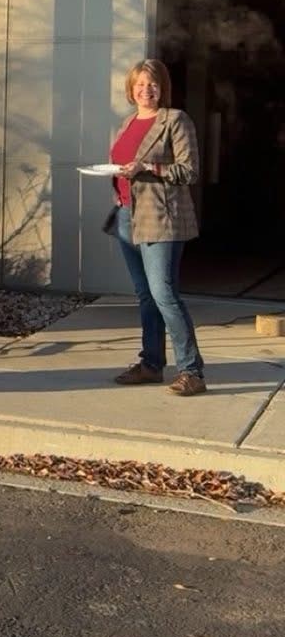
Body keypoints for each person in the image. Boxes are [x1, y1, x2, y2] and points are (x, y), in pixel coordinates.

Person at [108, 57, 206, 396]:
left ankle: (191, 371)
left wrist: (149, 166)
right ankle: (151, 364)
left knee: (164, 294)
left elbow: (189, 171)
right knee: (145, 296)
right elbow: (123, 166)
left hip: (161, 218)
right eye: (139, 85)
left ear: (162, 88)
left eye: (152, 84)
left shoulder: (176, 120)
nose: (145, 90)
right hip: (127, 216)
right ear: (130, 89)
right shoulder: (127, 122)